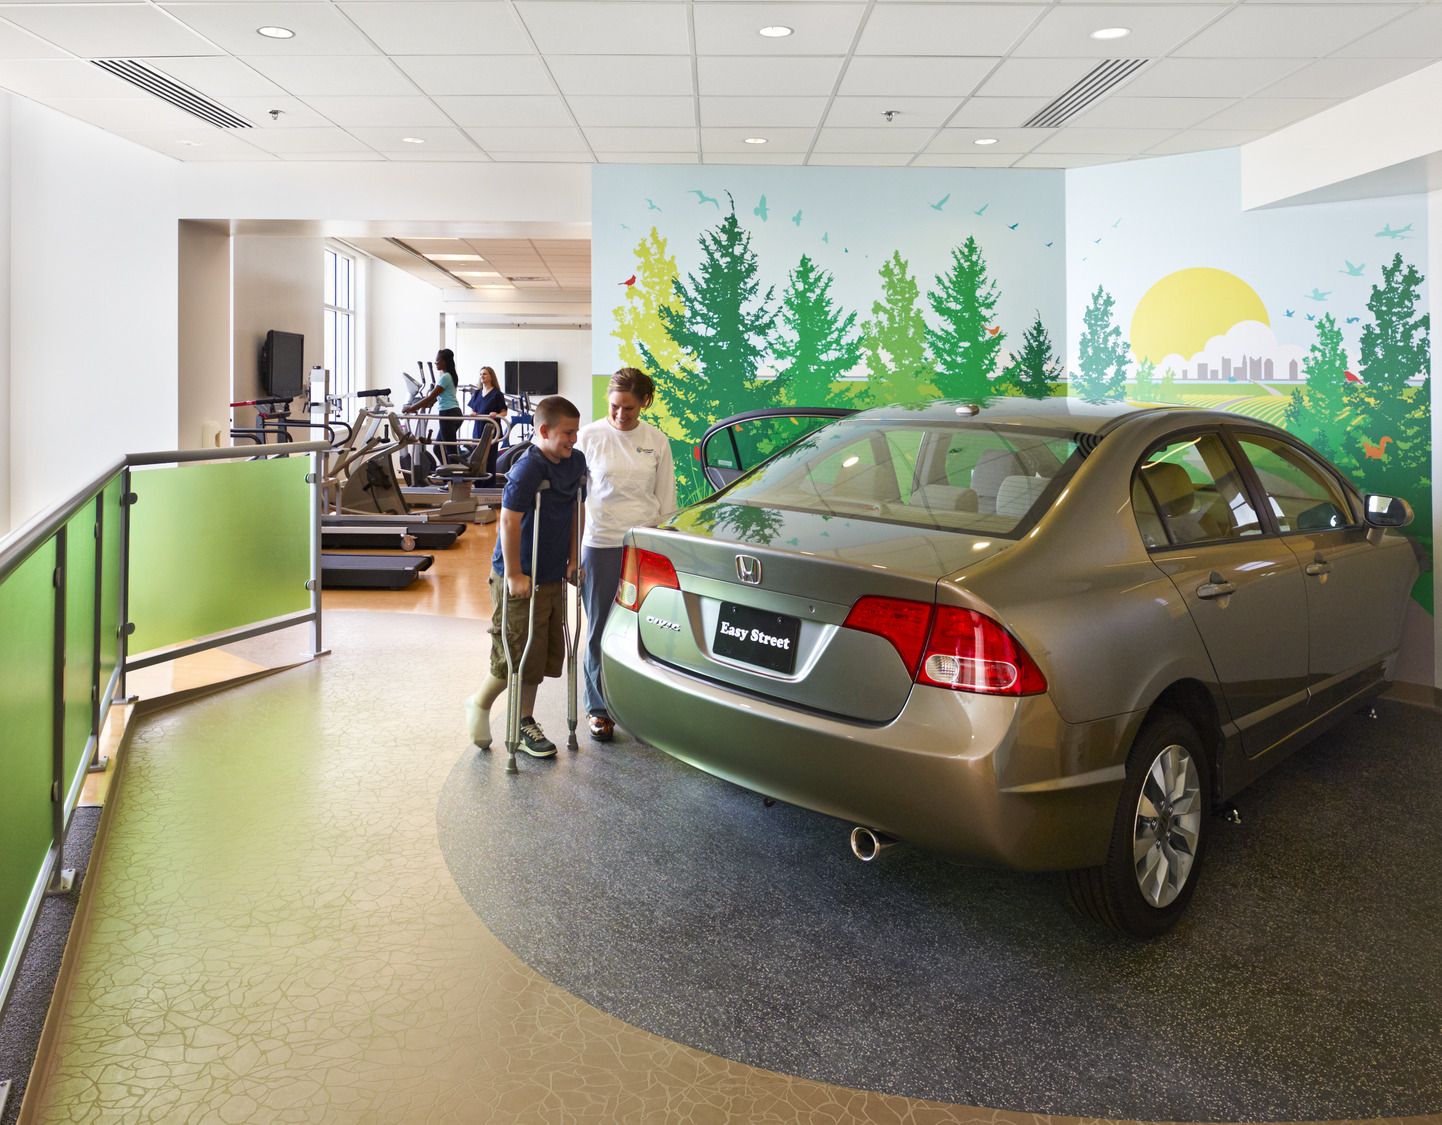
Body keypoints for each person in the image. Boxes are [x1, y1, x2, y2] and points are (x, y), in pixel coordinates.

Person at [464, 395, 586, 758]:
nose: (573, 440)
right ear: (544, 430)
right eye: (567, 433)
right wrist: (515, 573)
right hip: (517, 575)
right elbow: (509, 520)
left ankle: (524, 720)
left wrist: (573, 558)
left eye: (576, 432)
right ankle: (480, 702)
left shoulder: (575, 462)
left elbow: (578, 510)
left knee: (537, 655)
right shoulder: (528, 468)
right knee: (514, 655)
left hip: (550, 574)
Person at [574, 367, 677, 742]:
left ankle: (639, 705)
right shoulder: (588, 437)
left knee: (646, 628)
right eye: (616, 406)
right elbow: (577, 500)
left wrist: (663, 545)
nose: (621, 415)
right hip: (600, 542)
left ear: (644, 404)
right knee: (600, 627)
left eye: (630, 409)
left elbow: (666, 499)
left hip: (643, 546)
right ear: (608, 399)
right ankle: (599, 709)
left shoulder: (657, 441)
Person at [403, 348, 462, 464]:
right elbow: (434, 399)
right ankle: (447, 475)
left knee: (450, 450)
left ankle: (456, 477)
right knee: (438, 449)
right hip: (453, 412)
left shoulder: (445, 377)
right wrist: (420, 406)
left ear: (443, 361)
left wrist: (411, 408)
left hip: (448, 414)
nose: (435, 363)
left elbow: (430, 397)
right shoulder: (450, 376)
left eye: (437, 360)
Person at [467, 365, 508, 474]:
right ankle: (477, 481)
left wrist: (497, 414)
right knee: (476, 456)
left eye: (485, 374)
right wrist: (472, 413)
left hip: (491, 429)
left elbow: (504, 412)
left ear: (491, 376)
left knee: (490, 457)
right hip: (478, 429)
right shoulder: (477, 393)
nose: (482, 376)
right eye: (480, 374)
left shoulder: (497, 394)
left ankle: (489, 482)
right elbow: (472, 409)